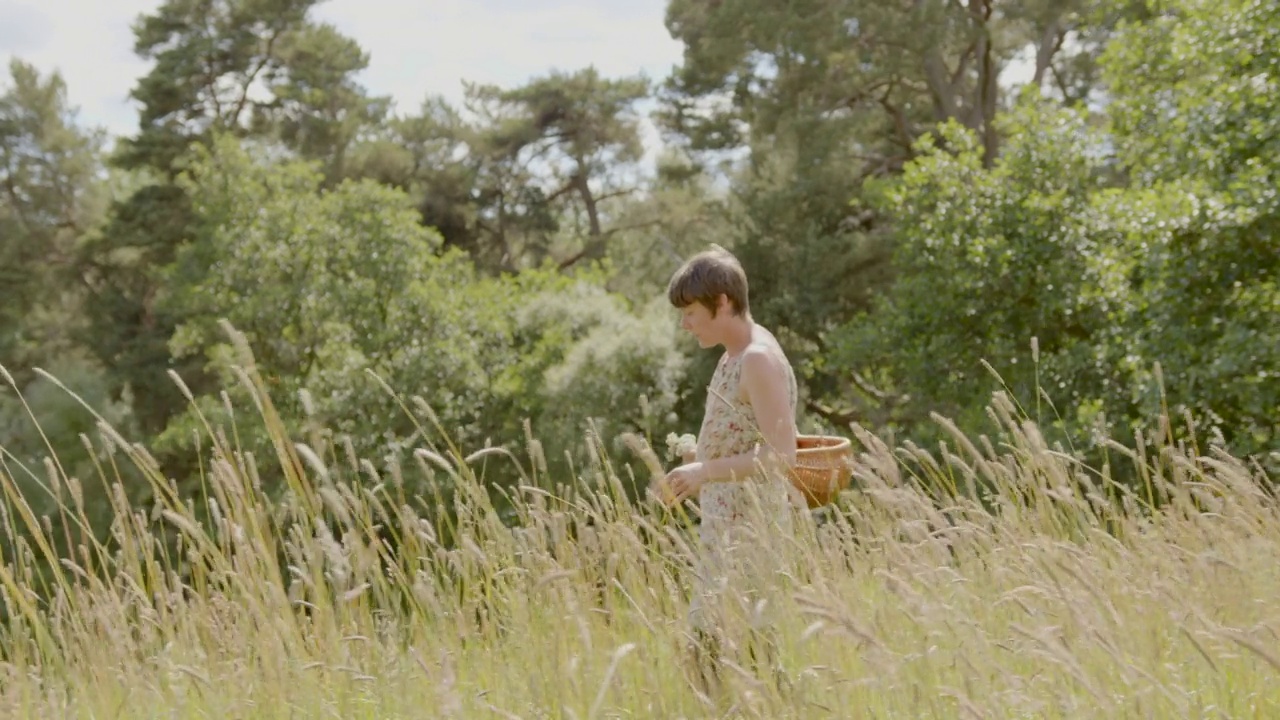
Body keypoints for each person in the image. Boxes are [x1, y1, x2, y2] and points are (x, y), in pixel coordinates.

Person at [660, 244, 802, 695]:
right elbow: (744, 435)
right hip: (723, 528)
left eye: (690, 312)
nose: (684, 323)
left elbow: (783, 455)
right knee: (712, 654)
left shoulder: (758, 358)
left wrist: (706, 472)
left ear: (722, 303)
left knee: (745, 654)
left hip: (750, 535)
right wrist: (698, 459)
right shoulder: (732, 355)